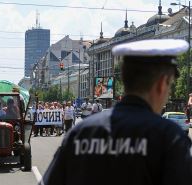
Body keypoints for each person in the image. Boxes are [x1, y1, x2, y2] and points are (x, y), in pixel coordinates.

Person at [41, 39, 192, 185]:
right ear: (161, 84)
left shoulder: (80, 134)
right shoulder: (170, 139)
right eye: (170, 85)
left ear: (126, 79)